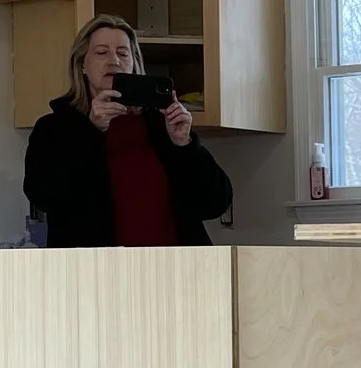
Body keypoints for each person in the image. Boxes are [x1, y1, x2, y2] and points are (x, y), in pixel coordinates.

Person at [25, 15, 233, 247]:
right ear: (82, 63)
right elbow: (44, 195)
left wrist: (184, 145)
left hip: (176, 270)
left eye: (123, 53)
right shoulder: (54, 128)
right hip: (94, 274)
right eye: (102, 52)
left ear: (134, 64)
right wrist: (91, 130)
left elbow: (216, 203)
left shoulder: (160, 124)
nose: (113, 61)